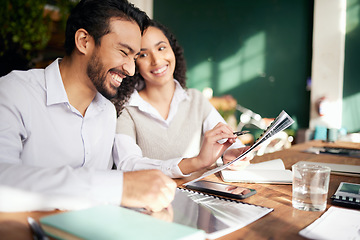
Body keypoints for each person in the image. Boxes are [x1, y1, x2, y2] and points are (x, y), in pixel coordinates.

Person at [0, 0, 176, 213]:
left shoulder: (107, 112)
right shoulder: (14, 91)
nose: (131, 70)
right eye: (123, 52)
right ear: (83, 41)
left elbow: (126, 167)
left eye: (135, 57)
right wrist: (120, 187)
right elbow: (3, 179)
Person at [113, 20, 253, 178]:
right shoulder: (125, 109)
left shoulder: (196, 100)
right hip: (150, 202)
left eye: (161, 48)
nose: (156, 60)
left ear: (173, 50)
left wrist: (231, 154)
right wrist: (196, 162)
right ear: (134, 62)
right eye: (143, 54)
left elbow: (228, 142)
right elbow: (127, 164)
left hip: (197, 202)